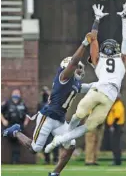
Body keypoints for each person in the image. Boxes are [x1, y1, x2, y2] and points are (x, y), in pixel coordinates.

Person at [3, 19, 99, 176]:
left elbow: (92, 86)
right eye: (78, 68)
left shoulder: (74, 84)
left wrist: (108, 83)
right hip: (47, 117)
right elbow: (74, 61)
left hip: (60, 120)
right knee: (35, 148)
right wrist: (84, 43)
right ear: (67, 67)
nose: (81, 70)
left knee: (71, 145)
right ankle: (15, 132)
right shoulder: (63, 77)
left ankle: (55, 173)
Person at [45, 2, 126, 155]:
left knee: (80, 117)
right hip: (109, 96)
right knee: (86, 125)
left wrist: (97, 20)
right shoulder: (122, 63)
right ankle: (63, 138)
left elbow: (93, 39)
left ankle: (61, 139)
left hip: (98, 91)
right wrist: (124, 19)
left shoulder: (98, 61)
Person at [1, 89, 29, 164]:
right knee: (9, 139)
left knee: (17, 143)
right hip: (10, 125)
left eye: (17, 93)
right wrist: (3, 120)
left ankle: (15, 161)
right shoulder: (7, 103)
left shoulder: (22, 103)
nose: (16, 94)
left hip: (19, 126)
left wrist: (26, 122)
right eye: (14, 93)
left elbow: (27, 114)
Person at [37, 86, 59, 165]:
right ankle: (47, 159)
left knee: (55, 143)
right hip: (45, 126)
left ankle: (55, 159)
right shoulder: (40, 104)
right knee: (46, 143)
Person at [107, 98, 125, 165]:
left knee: (115, 144)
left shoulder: (118, 105)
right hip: (116, 126)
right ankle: (116, 160)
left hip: (116, 126)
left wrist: (112, 126)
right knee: (115, 144)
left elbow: (117, 117)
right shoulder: (115, 104)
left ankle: (117, 160)